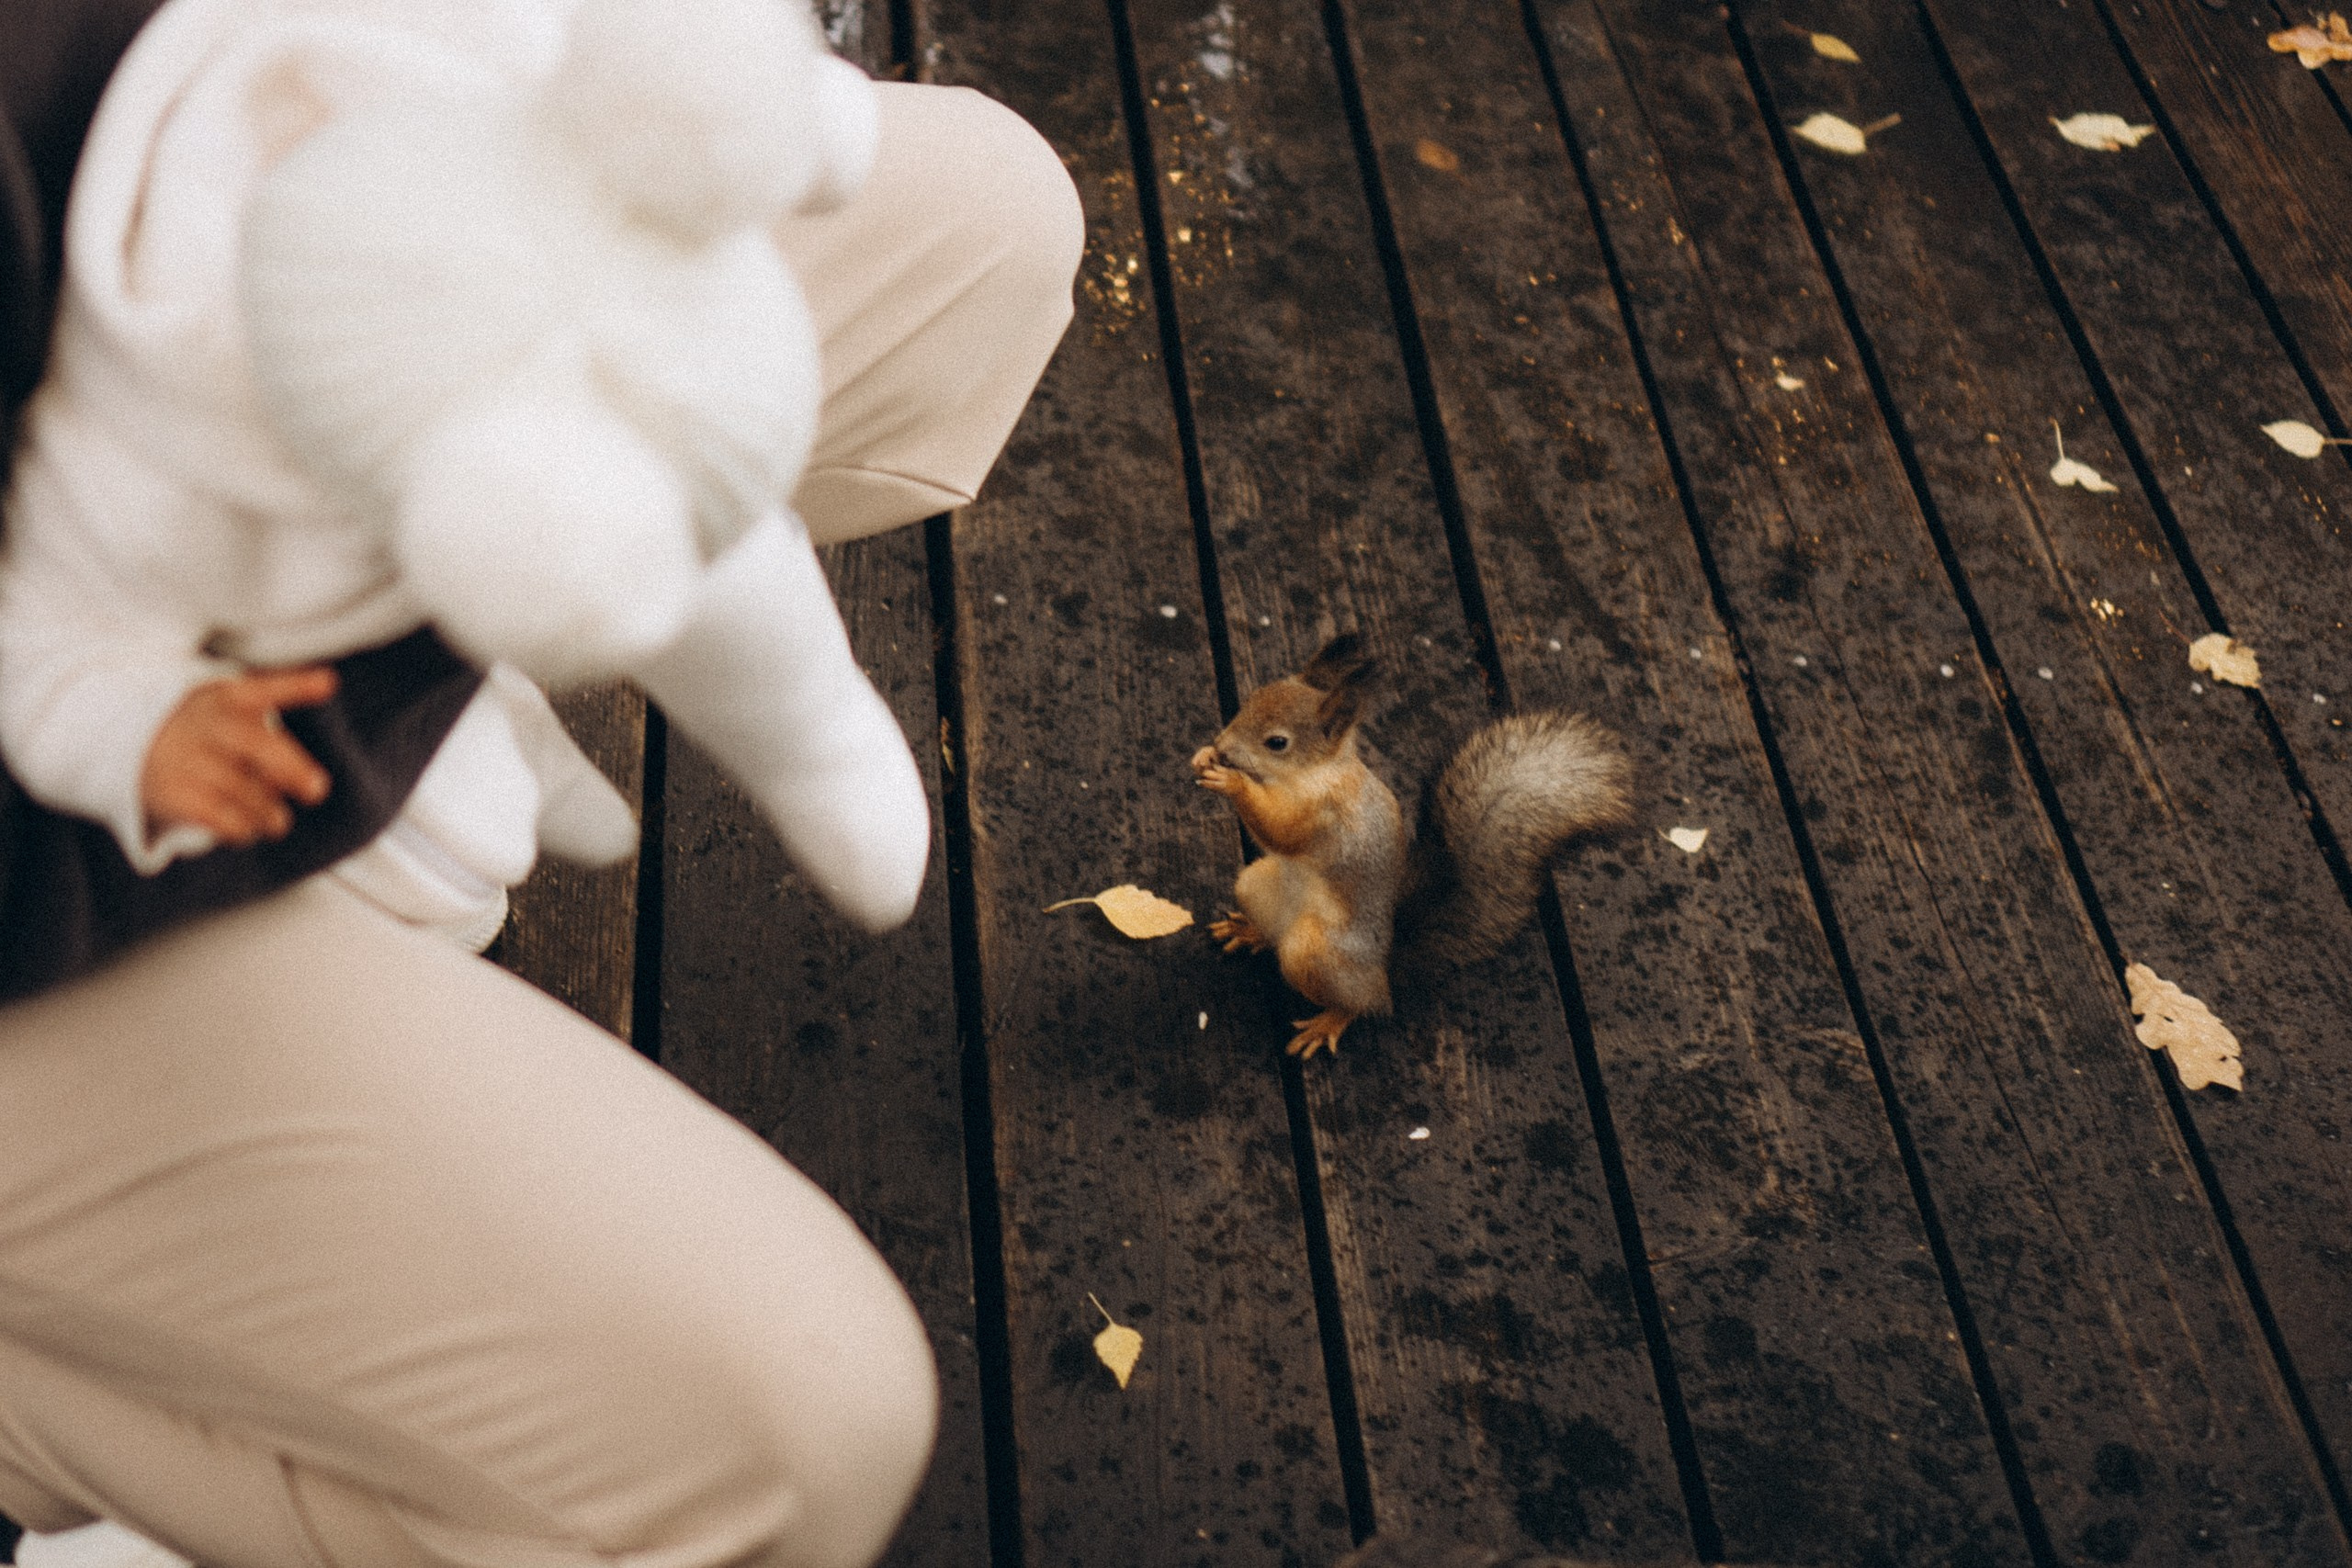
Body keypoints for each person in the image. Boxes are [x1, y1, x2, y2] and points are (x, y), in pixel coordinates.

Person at [0, 0, 1084, 1562]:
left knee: (986, 224)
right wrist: (352, 719)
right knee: (791, 1424)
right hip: (105, 624)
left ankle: (485, 659)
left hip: (298, 169)